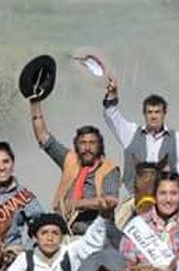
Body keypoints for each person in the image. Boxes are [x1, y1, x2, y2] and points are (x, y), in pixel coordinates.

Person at [29, 99, 120, 236]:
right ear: (77, 146)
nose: (87, 148)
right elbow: (43, 137)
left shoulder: (109, 168)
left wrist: (75, 204)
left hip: (93, 232)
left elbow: (109, 202)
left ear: (99, 146)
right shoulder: (71, 159)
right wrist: (35, 103)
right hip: (63, 227)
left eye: (92, 143)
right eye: (83, 143)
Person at [103, 79, 179, 189]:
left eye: (157, 112)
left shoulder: (177, 138)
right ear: (144, 114)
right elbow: (111, 116)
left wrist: (171, 171)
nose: (153, 116)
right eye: (150, 112)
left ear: (164, 114)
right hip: (134, 198)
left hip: (164, 198)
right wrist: (111, 97)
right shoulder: (131, 133)